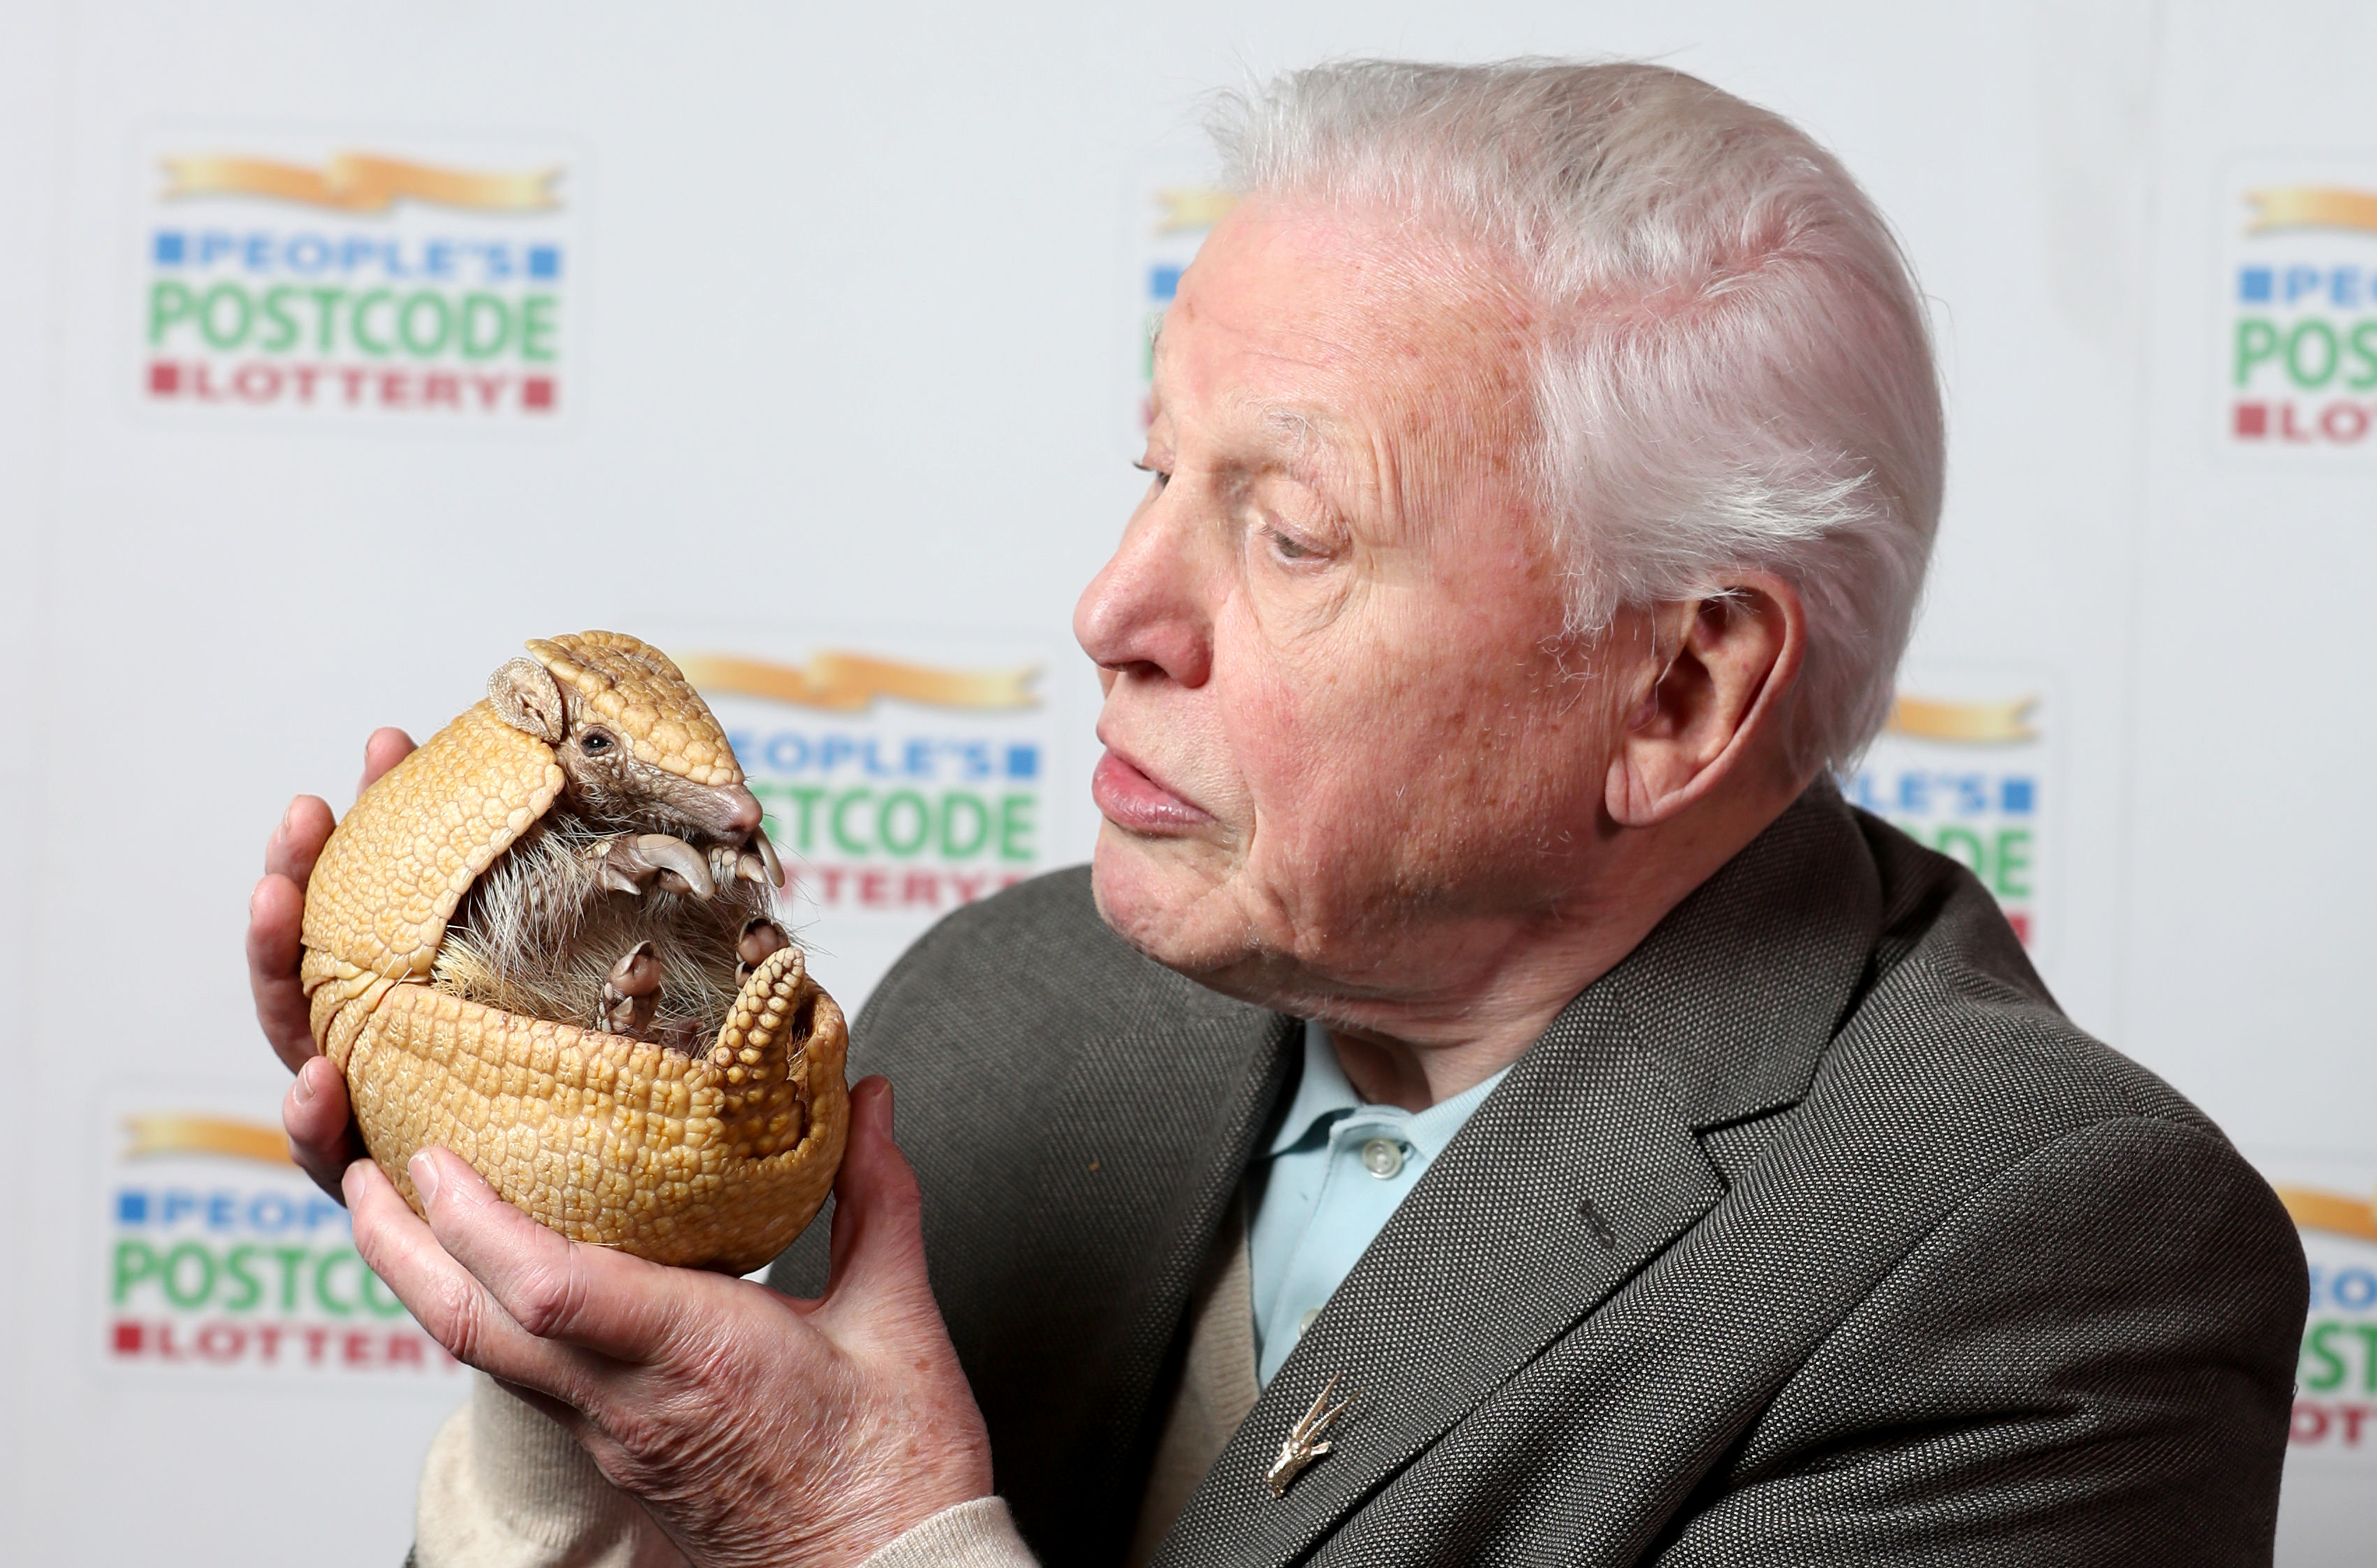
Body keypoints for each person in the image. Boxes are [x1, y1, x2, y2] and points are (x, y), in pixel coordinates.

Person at [249, 60, 2306, 1568]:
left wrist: (864, 1532)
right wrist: (570, 1367)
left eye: (1292, 532)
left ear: (1673, 686)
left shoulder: (2038, 1262)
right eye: (1154, 468)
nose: (1114, 610)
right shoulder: (1013, 999)